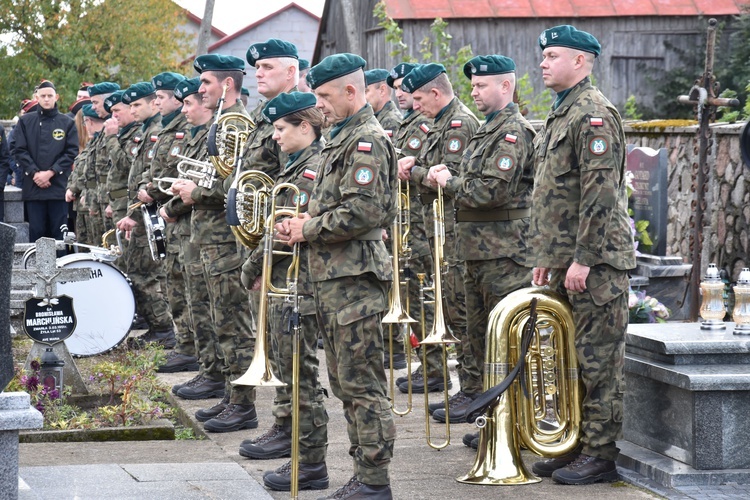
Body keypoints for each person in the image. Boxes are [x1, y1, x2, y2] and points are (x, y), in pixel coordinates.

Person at [276, 52, 397, 499]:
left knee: (362, 385)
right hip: (333, 279)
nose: (319, 106)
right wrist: (299, 222)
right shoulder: (340, 138)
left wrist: (306, 228)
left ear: (351, 91)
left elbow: (365, 209)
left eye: (325, 96)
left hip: (354, 281)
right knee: (345, 383)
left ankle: (374, 481)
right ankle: (363, 475)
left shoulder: (366, 140)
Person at [529, 25, 635, 485]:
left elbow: (600, 193)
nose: (543, 63)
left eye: (553, 55)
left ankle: (600, 452)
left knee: (597, 359)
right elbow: (554, 194)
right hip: (568, 260)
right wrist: (551, 256)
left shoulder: (593, 113)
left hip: (597, 264)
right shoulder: (561, 113)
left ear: (581, 61)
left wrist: (584, 258)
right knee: (567, 358)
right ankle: (574, 442)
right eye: (544, 55)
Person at [427, 54, 535, 434]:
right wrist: (449, 175)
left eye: (481, 85)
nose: (473, 92)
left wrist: (449, 182)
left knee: (506, 341)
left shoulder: (513, 132)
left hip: (504, 254)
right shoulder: (487, 130)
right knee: (478, 337)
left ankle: (517, 426)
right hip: (476, 251)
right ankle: (492, 418)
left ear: (505, 86)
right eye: (471, 86)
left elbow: (492, 191)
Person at [239, 92, 329, 492]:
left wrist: (251, 267)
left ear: (304, 128)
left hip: (298, 282)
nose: (274, 137)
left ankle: (311, 463)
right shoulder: (296, 165)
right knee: (291, 373)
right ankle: (301, 453)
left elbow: (282, 231)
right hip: (289, 280)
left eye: (280, 129)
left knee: (300, 374)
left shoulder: (310, 170)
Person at [170, 54, 257, 433]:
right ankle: (230, 394)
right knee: (218, 320)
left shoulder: (237, 125)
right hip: (208, 237)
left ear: (225, 85)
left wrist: (196, 191)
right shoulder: (221, 123)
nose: (199, 89)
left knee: (232, 323)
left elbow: (238, 185)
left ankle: (243, 405)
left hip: (226, 240)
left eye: (205, 82)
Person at [398, 64, 479, 408]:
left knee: (460, 312)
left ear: (435, 93)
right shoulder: (440, 122)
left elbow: (447, 177)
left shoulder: (459, 124)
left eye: (418, 98)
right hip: (437, 229)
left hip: (454, 231)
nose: (414, 105)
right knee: (449, 305)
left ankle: (472, 390)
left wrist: (412, 170)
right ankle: (469, 388)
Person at [386, 62, 442, 393]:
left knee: (426, 299)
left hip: (424, 227)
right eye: (397, 88)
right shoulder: (409, 123)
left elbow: (432, 173)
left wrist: (413, 170)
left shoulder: (425, 124)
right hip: (411, 224)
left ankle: (435, 367)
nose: (401, 94)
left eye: (407, 89)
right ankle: (428, 364)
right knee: (415, 299)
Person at [138, 71, 193, 371]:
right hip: (167, 215)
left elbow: (177, 178)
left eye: (161, 97)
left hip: (178, 214)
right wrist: (147, 188)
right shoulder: (167, 128)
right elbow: (154, 170)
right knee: (174, 284)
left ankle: (188, 347)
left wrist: (153, 192)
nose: (157, 102)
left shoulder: (183, 129)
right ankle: (185, 345)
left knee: (183, 286)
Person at [115, 82, 175, 348]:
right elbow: (138, 178)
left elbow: (155, 180)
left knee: (145, 275)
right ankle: (158, 327)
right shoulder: (148, 131)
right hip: (141, 214)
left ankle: (163, 329)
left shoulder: (158, 130)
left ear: (153, 103)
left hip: (151, 215)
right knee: (138, 272)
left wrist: (135, 215)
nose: (132, 109)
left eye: (137, 104)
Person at [11, 80, 78, 242]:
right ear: (36, 97)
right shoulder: (25, 121)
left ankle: (60, 266)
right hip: (34, 187)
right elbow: (18, 149)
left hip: (58, 186)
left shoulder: (67, 123)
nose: (46, 99)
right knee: (37, 233)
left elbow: (71, 151)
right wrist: (34, 173)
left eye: (50, 96)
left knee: (60, 233)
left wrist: (51, 172)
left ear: (57, 97)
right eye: (43, 96)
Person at [364, 69, 402, 141]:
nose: (362, 97)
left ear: (382, 91)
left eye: (366, 91)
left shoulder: (391, 122)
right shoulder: (378, 117)